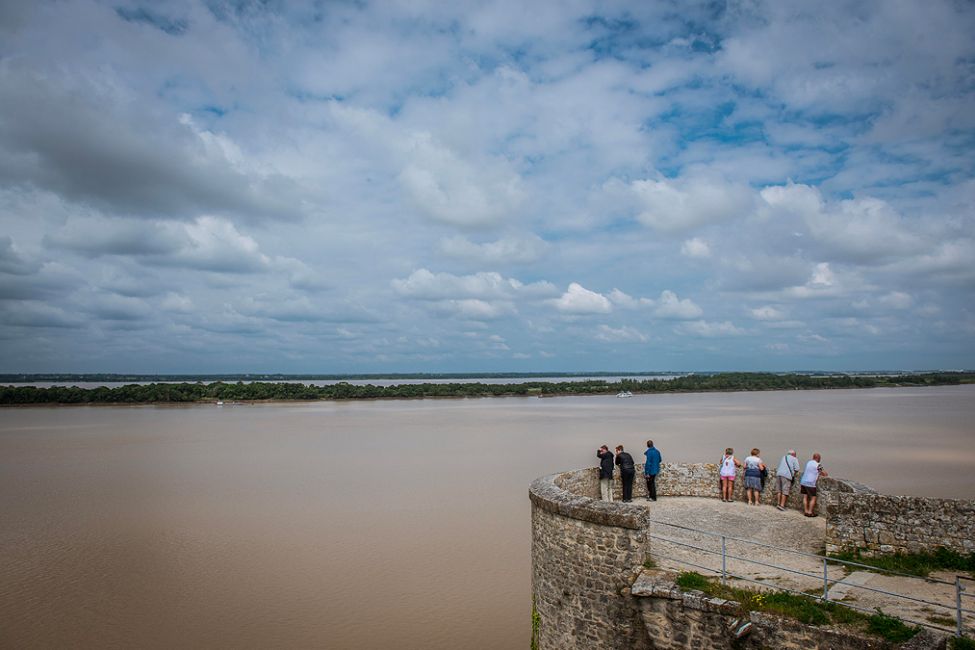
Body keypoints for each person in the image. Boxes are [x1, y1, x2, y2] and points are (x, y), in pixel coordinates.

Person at [800, 452, 828, 517]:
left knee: (805, 497)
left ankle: (805, 511)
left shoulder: (809, 462)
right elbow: (825, 474)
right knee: (813, 498)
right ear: (818, 459)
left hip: (803, 481)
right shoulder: (818, 464)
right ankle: (810, 512)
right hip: (811, 483)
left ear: (813, 457)